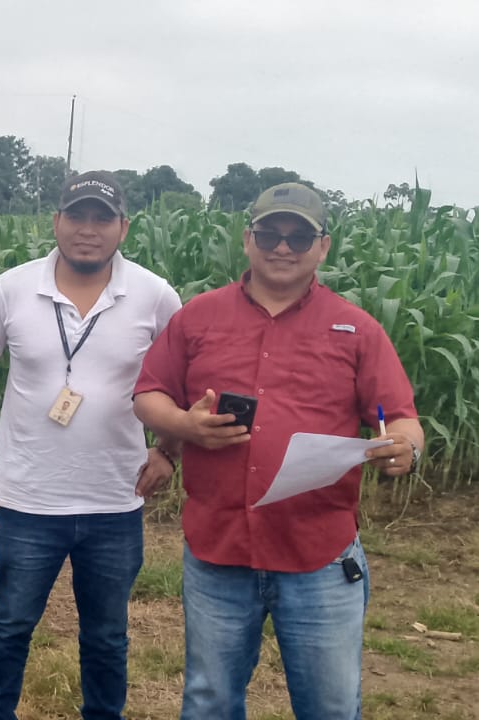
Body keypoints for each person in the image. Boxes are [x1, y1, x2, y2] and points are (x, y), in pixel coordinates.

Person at [132, 182, 424, 720]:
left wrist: (406, 447)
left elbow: (402, 417)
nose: (283, 247)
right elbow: (148, 394)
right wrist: (184, 426)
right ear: (248, 239)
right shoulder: (198, 317)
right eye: (270, 234)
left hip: (318, 553)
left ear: (323, 247)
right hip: (217, 550)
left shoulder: (356, 329)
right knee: (209, 702)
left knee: (329, 708)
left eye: (299, 237)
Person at [0, 171, 183, 720]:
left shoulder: (155, 295)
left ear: (123, 228)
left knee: (107, 634)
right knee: (10, 623)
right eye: (77, 216)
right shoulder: (10, 289)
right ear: (56, 221)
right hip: (29, 495)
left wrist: (168, 450)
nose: (88, 230)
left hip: (115, 497)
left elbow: (183, 378)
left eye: (102, 219)